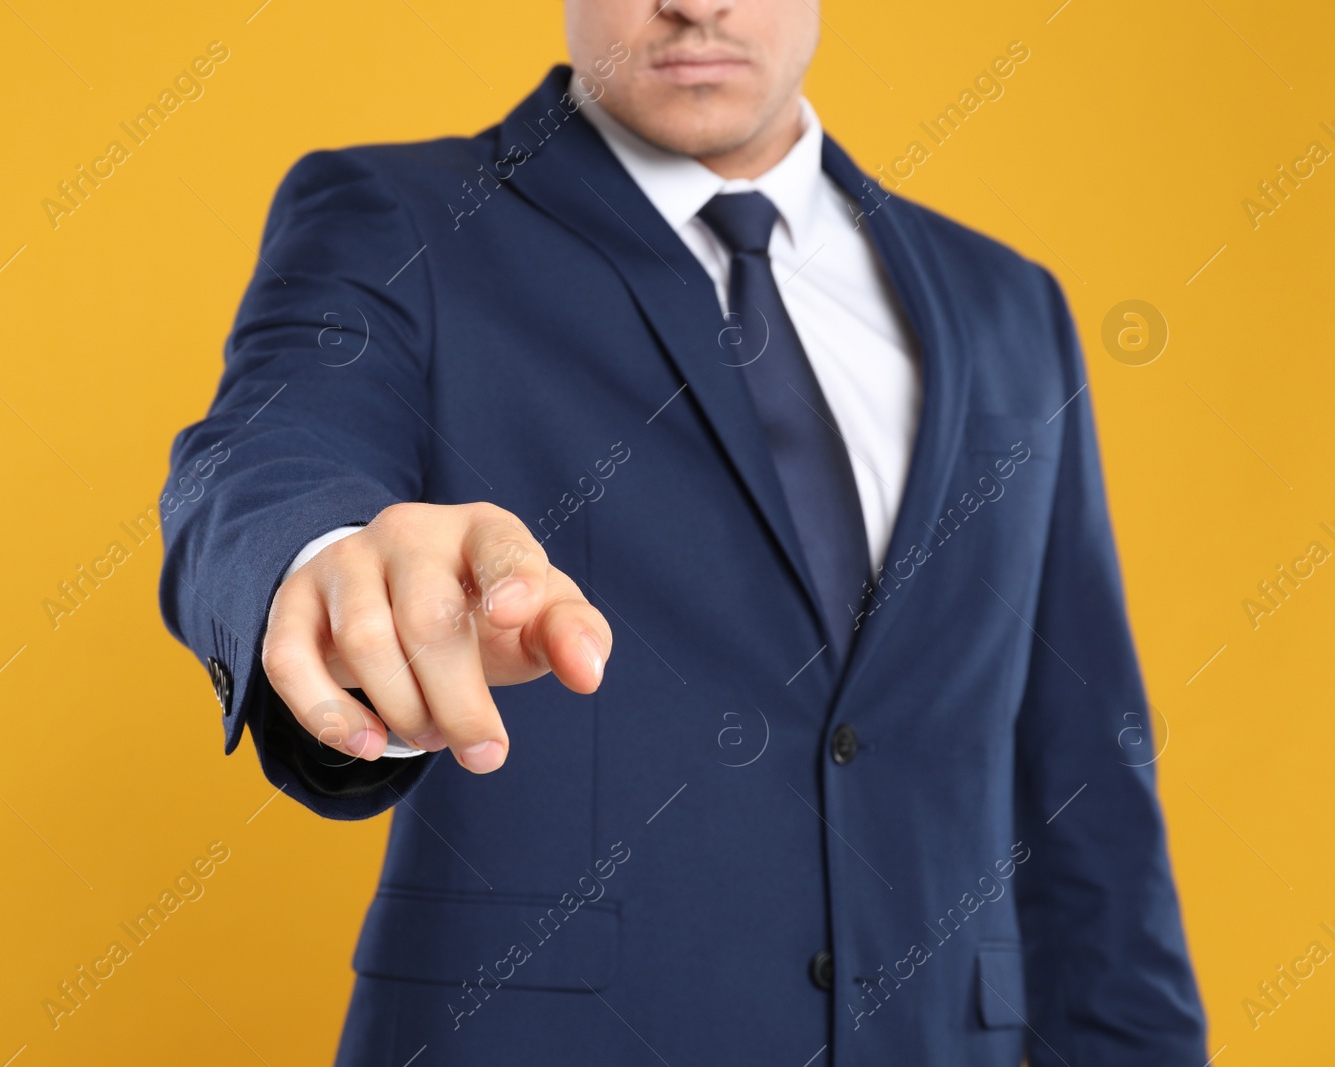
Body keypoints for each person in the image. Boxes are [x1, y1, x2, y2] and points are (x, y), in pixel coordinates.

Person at [157, 1, 1209, 1062]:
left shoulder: (1009, 303)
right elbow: (268, 446)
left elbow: (1085, 772)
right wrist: (323, 556)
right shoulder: (396, 215)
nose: (696, 3)